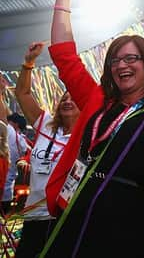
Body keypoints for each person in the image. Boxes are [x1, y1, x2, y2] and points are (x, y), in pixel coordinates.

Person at [41, 0, 144, 258]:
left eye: (132, 58)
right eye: (115, 60)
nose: (122, 65)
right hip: (76, 211)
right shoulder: (98, 100)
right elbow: (65, 56)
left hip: (126, 225)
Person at [12, 41, 81, 258]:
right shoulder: (45, 125)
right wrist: (29, 62)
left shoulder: (88, 136)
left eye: (73, 98)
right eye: (64, 98)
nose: (67, 101)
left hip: (66, 217)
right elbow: (22, 94)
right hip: (35, 215)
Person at [0, 80, 29, 215]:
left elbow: (2, 117)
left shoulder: (9, 131)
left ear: (15, 124)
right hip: (7, 191)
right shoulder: (22, 141)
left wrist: (1, 91)